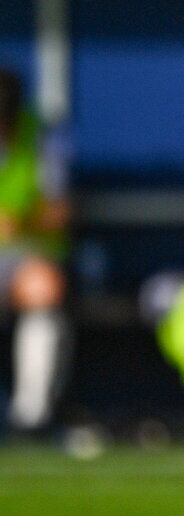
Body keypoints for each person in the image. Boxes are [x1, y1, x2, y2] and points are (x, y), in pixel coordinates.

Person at [0, 68, 71, 435]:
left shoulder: (41, 135)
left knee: (46, 288)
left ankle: (31, 415)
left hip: (26, 253)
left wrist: (22, 223)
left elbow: (60, 210)